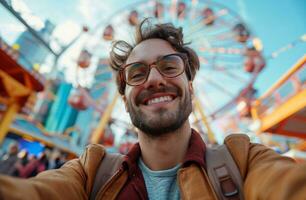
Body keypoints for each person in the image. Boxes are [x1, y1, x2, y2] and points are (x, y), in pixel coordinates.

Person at [0, 18, 306, 200]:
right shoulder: (90, 172)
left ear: (191, 85)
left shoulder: (244, 161)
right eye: (137, 73)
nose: (155, 79)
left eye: (169, 66)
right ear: (124, 97)